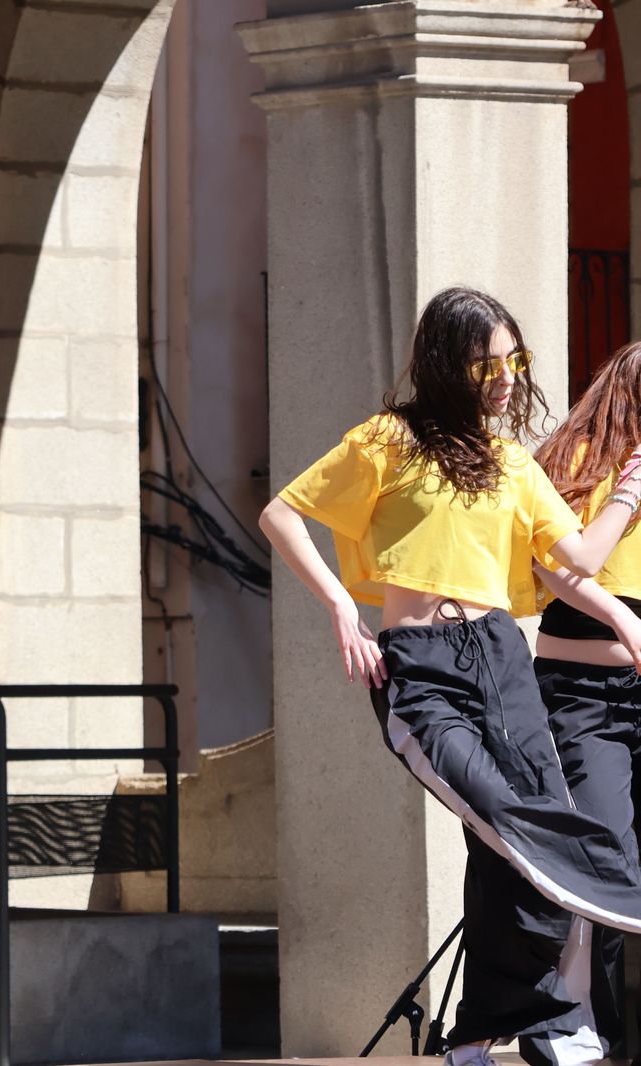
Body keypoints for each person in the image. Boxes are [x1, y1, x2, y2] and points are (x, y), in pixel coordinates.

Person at [257, 287, 641, 1066]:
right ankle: (612, 920)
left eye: (514, 361)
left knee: (511, 832)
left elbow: (565, 563)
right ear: (445, 364)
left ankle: (501, 1027)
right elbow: (281, 515)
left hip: (502, 655)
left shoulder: (508, 462)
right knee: (505, 816)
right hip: (423, 669)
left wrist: (624, 617)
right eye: (486, 364)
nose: (504, 377)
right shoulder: (388, 440)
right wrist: (339, 606)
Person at [529, 342, 641, 1065]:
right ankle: (578, 1026)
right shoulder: (575, 465)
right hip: (587, 698)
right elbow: (564, 566)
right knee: (607, 866)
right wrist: (630, 494)